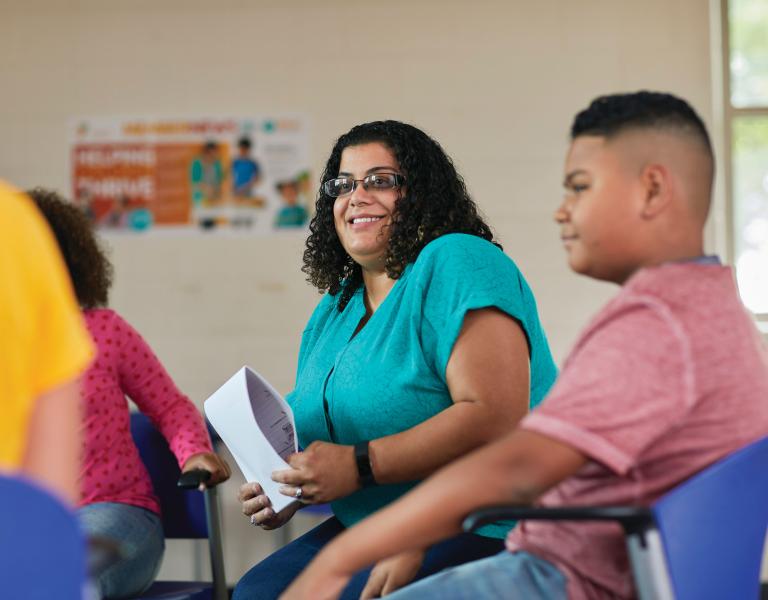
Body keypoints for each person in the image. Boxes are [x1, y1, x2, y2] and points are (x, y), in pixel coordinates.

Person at [280, 92, 768, 600]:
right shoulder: (711, 313)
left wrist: (343, 558)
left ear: (651, 189)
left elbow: (515, 468)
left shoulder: (653, 329)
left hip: (564, 575)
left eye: (579, 188)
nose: (561, 211)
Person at [234, 120, 558, 599]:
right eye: (343, 185)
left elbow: (494, 416)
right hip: (379, 523)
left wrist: (360, 466)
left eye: (380, 181)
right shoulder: (336, 307)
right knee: (258, 593)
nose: (357, 197)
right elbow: (322, 428)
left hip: (486, 520)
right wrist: (289, 483)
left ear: (422, 194)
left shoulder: (458, 260)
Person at [28, 188, 231, 600]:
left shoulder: (103, 330)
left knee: (60, 577)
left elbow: (170, 405)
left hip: (115, 511)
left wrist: (195, 451)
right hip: (28, 523)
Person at [0, 181, 94, 505]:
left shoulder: (15, 222)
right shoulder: (14, 221)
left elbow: (170, 407)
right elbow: (49, 488)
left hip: (108, 504)